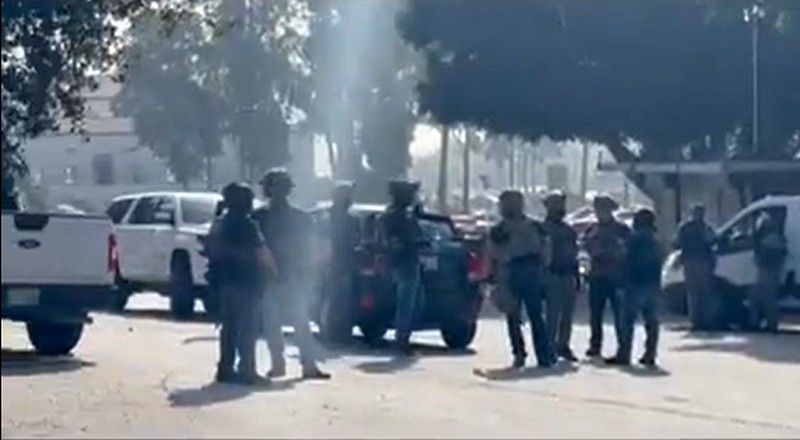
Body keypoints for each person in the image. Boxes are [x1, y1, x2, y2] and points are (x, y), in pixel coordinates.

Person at [253, 169, 331, 380]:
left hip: (292, 276)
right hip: (271, 277)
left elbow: (310, 249)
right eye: (275, 186)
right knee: (273, 324)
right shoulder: (260, 217)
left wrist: (309, 273)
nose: (279, 191)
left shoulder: (299, 218)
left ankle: (306, 365)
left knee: (299, 323)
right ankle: (281, 365)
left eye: (282, 186)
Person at [206, 183, 278, 385]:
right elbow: (261, 252)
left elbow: (210, 249)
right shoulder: (248, 225)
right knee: (247, 328)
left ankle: (225, 368)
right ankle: (247, 370)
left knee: (228, 327)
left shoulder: (219, 223)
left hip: (223, 282)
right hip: (246, 282)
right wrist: (274, 273)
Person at [487, 190, 554, 369]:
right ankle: (519, 353)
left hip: (531, 272)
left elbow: (546, 249)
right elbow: (493, 253)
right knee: (513, 317)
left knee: (536, 316)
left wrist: (543, 268)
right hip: (509, 273)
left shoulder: (535, 226)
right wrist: (493, 277)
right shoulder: (498, 230)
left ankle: (544, 355)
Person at [606, 209, 664, 367]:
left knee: (627, 322)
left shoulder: (633, 240)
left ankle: (624, 354)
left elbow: (625, 262)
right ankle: (650, 354)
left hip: (634, 285)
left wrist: (621, 283)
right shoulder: (656, 241)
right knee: (651, 322)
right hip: (652, 285)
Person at [377, 179, 427, 355]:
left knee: (417, 303)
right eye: (410, 194)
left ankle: (403, 336)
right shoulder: (393, 217)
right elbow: (393, 242)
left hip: (410, 262)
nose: (413, 197)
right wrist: (411, 243)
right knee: (407, 305)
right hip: (403, 263)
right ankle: (401, 340)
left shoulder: (405, 215)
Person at [582, 195, 630, 358]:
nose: (600, 213)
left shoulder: (622, 229)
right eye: (598, 209)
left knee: (619, 314)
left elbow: (629, 249)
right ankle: (595, 345)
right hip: (597, 275)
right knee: (595, 314)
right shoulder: (592, 229)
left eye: (603, 209)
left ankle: (623, 345)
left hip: (616, 276)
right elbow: (585, 246)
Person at [541, 191, 579, 362]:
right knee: (552, 315)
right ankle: (549, 347)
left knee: (567, 315)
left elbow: (574, 254)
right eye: (555, 204)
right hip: (551, 275)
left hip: (568, 275)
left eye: (561, 204)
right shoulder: (541, 229)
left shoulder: (569, 231)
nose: (559, 208)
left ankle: (563, 345)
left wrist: (577, 276)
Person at [324, 181, 360, 343]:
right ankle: (331, 334)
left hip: (344, 264)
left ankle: (340, 334)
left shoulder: (351, 218)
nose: (350, 199)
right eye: (348, 195)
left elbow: (356, 240)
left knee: (342, 301)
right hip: (333, 265)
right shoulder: (329, 217)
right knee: (334, 300)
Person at [674, 204, 717, 330]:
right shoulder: (705, 227)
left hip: (692, 261)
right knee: (703, 293)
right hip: (701, 261)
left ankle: (696, 321)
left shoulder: (685, 227)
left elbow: (676, 242)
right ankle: (704, 321)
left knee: (694, 293)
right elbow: (713, 240)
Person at [751, 211, 787, 332]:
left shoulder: (769, 239)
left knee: (767, 299)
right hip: (770, 272)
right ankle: (767, 323)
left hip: (767, 272)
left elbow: (763, 257)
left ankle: (771, 324)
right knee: (760, 297)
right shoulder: (776, 238)